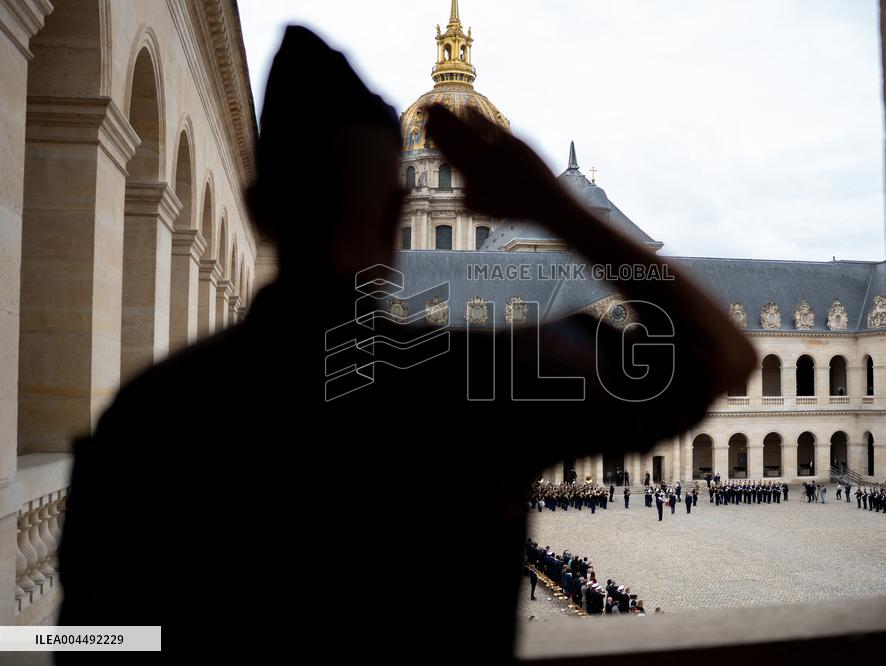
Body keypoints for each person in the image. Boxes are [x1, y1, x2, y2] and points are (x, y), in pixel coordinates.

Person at [55, 26, 756, 660]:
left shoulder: (149, 412)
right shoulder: (468, 379)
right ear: (398, 212)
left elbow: (91, 640)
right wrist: (554, 206)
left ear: (260, 210)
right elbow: (717, 357)